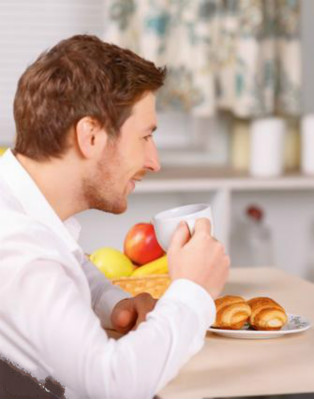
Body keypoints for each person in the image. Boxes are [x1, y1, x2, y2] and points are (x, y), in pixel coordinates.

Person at [0, 35, 230, 398]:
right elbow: (113, 385)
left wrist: (114, 304)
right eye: (145, 137)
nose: (154, 161)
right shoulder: (20, 248)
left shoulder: (17, 209)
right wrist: (193, 291)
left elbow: (69, 264)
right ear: (90, 136)